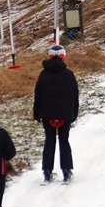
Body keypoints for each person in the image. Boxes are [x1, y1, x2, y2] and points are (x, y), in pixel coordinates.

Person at [33, 45, 79, 183]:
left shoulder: (43, 74)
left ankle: (47, 171)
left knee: (49, 141)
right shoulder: (69, 74)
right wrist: (73, 114)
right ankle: (66, 170)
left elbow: (38, 96)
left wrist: (37, 114)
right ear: (63, 56)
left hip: (47, 114)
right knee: (64, 141)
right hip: (65, 114)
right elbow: (74, 96)